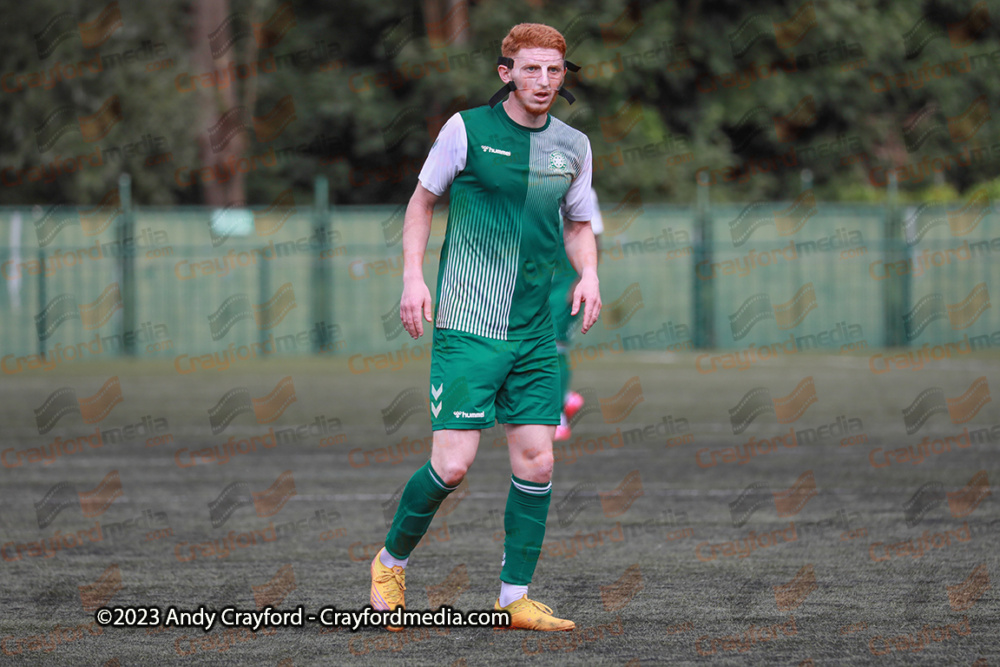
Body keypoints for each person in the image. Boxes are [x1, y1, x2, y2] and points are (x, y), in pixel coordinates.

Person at [370, 22, 601, 632]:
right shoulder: (465, 129)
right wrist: (413, 279)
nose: (544, 81)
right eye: (531, 69)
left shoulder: (573, 146)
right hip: (470, 326)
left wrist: (589, 275)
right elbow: (422, 202)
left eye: (554, 70)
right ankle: (391, 564)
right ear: (506, 73)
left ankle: (514, 598)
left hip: (532, 335)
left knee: (538, 462)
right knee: (452, 465)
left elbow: (578, 223)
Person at [551, 188, 603, 441]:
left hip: (565, 285)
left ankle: (558, 415)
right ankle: (566, 396)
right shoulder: (532, 179)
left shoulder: (582, 190)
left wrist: (583, 278)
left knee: (555, 346)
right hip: (536, 281)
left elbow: (595, 237)